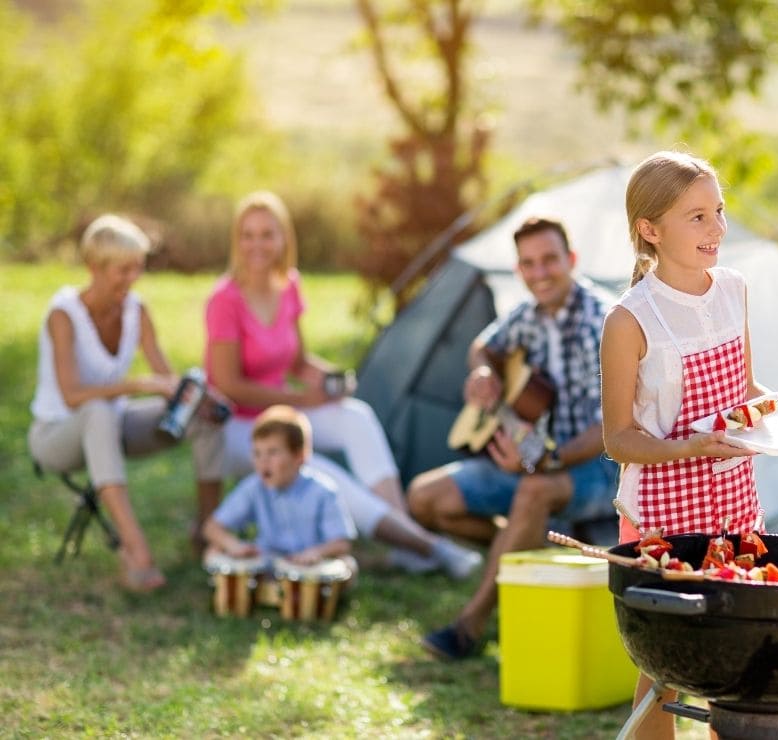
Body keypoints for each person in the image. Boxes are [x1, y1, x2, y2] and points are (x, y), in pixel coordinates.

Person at [204, 190, 479, 579]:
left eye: (268, 234)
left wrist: (331, 381)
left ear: (284, 239)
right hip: (240, 428)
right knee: (313, 466)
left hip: (285, 412)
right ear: (237, 241)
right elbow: (228, 384)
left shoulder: (289, 286)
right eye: (248, 235)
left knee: (356, 416)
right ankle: (426, 545)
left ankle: (406, 534)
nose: (257, 244)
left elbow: (298, 360)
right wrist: (302, 398)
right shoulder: (224, 300)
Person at [600, 150, 765, 739]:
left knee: (736, 660)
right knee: (663, 672)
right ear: (651, 229)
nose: (718, 228)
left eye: (718, 211)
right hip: (659, 519)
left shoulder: (735, 290)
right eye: (697, 217)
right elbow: (618, 439)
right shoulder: (630, 319)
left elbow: (743, 391)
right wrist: (693, 448)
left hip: (736, 505)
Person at [408, 216, 618, 660]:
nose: (539, 273)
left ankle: (472, 623)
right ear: (518, 269)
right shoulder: (526, 316)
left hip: (597, 469)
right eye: (528, 264)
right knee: (424, 498)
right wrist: (484, 370)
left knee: (532, 488)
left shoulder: (605, 321)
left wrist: (547, 460)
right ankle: (528, 544)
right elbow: (483, 346)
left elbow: (609, 429)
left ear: (572, 260)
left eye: (549, 261)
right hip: (532, 461)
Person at [28, 214, 225, 592]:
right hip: (56, 436)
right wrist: (134, 384)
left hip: (112, 428)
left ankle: (207, 530)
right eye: (123, 270)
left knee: (203, 421)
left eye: (138, 268)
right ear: (93, 268)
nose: (132, 278)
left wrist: (197, 396)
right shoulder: (63, 314)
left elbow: (165, 378)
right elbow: (72, 396)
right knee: (97, 411)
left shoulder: (137, 309)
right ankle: (136, 553)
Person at [203, 405, 356, 578]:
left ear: (300, 456)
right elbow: (212, 527)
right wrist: (234, 545)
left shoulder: (323, 491)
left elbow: (341, 543)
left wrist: (316, 552)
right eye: (257, 453)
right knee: (213, 551)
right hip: (267, 564)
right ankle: (238, 598)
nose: (263, 462)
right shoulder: (254, 487)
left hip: (307, 567)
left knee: (348, 564)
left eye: (273, 452)